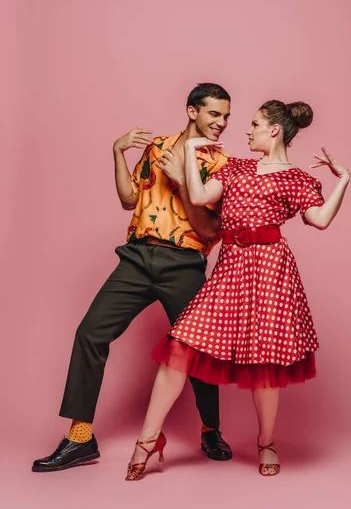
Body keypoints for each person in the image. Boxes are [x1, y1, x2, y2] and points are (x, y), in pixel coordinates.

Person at [125, 99, 350, 480]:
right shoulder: (236, 167)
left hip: (271, 271)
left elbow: (320, 219)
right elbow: (197, 197)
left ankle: (266, 443)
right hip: (231, 266)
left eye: (254, 124)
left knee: (265, 360)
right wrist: (194, 148)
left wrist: (343, 179)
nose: (245, 131)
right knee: (180, 346)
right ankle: (147, 440)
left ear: (274, 130)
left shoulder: (296, 179)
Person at [32, 83, 233, 472]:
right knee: (90, 333)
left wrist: (182, 183)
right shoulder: (157, 147)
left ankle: (210, 428)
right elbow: (129, 199)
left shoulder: (222, 164)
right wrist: (117, 151)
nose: (222, 123)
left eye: (226, 115)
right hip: (138, 257)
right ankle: (79, 438)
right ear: (192, 111)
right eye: (214, 114)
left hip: (184, 263)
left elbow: (210, 230)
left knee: (199, 350)